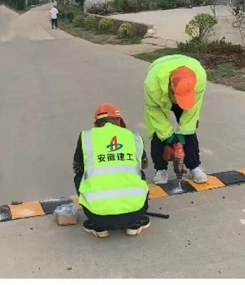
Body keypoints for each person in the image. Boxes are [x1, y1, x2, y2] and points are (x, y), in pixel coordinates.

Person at [74, 103, 150, 238]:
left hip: (98, 216)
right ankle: (135, 224)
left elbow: (77, 167)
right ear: (119, 120)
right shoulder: (134, 137)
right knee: (138, 172)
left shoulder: (87, 137)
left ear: (96, 124)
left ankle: (98, 227)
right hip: (135, 212)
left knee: (80, 176)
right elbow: (144, 164)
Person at [144, 54, 207, 184]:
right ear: (172, 87)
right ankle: (160, 170)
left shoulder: (199, 78)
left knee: (189, 130)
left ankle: (194, 166)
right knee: (158, 131)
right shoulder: (152, 85)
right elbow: (154, 112)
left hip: (186, 89)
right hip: (160, 94)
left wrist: (182, 135)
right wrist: (169, 138)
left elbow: (192, 113)